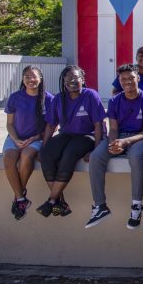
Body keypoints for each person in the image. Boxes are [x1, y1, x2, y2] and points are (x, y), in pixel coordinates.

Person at [86, 64, 143, 229]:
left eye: (131, 78)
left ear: (138, 78)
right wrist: (113, 144)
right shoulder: (114, 101)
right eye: (123, 79)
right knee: (96, 156)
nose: (128, 82)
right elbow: (114, 128)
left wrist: (125, 143)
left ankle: (136, 205)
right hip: (120, 136)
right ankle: (100, 206)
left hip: (141, 137)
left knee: (135, 156)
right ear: (119, 81)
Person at [37, 65, 105, 217]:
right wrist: (43, 146)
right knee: (47, 154)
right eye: (68, 78)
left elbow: (98, 124)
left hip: (88, 135)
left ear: (83, 79)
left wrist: (95, 150)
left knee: (70, 153)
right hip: (67, 135)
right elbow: (51, 125)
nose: (72, 81)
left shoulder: (90, 95)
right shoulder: (58, 98)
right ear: (63, 81)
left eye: (76, 78)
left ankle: (51, 200)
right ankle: (58, 202)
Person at [3, 66, 53, 220]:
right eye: (27, 77)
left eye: (34, 77)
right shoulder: (15, 97)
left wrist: (36, 137)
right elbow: (9, 124)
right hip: (15, 137)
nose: (31, 80)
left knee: (26, 156)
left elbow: (51, 126)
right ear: (23, 79)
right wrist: (16, 139)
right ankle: (21, 199)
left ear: (41, 78)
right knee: (9, 159)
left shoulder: (49, 99)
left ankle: (19, 196)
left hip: (36, 139)